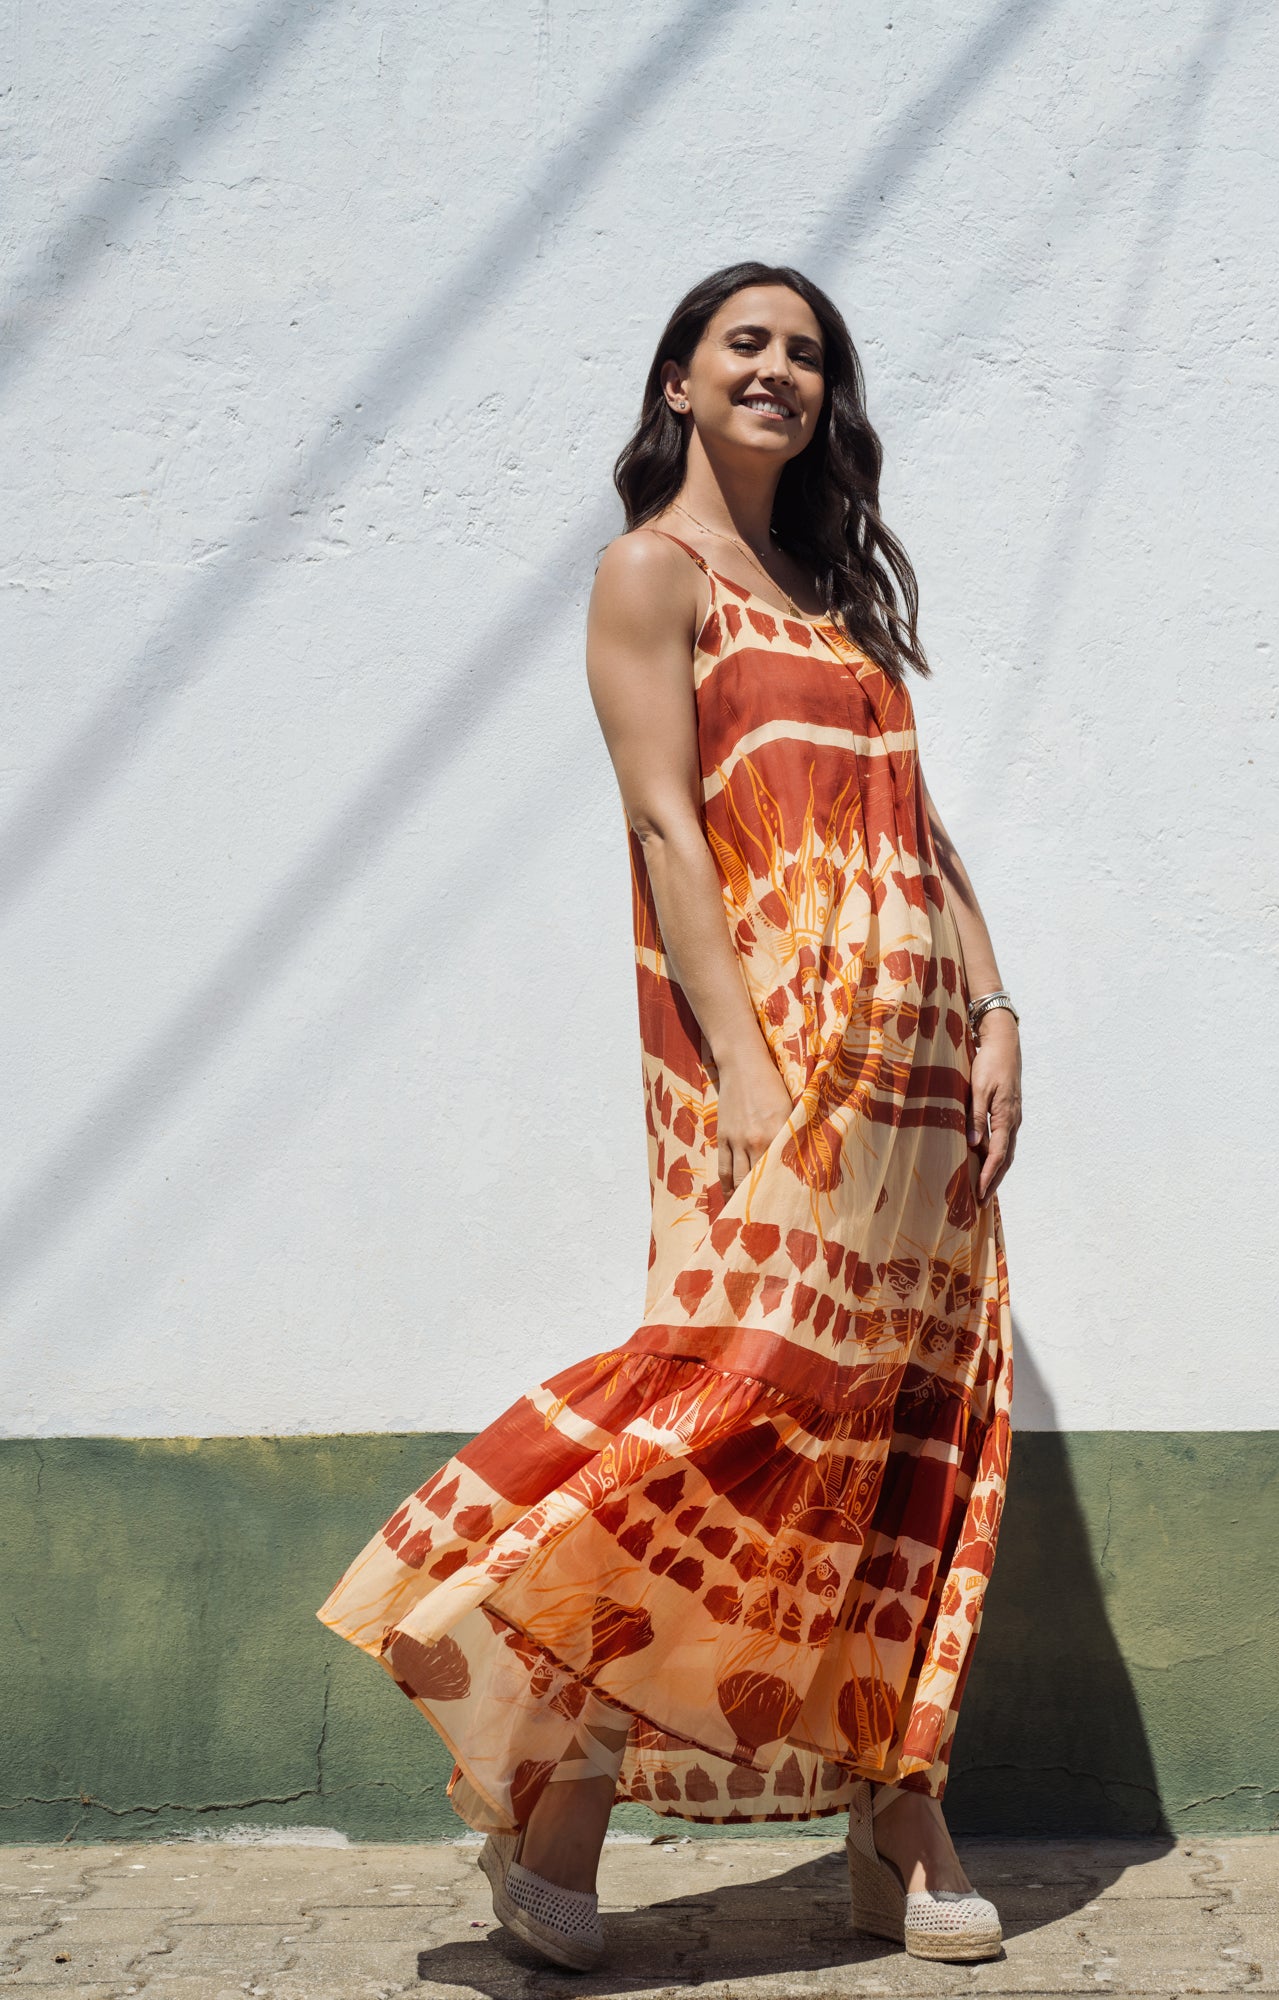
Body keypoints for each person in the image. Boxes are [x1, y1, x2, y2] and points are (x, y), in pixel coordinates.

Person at [317, 260, 1023, 1972]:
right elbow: (662, 825)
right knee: (735, 1408)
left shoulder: (838, 605)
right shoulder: (652, 573)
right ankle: (566, 1799)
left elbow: (919, 835)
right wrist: (747, 1061)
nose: (778, 369)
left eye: (807, 352)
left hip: (919, 1075)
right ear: (680, 381)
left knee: (906, 1428)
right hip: (769, 1050)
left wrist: (996, 1013)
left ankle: (901, 1811)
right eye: (745, 344)